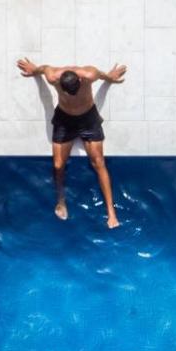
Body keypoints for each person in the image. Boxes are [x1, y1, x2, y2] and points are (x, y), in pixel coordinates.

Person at [16, 57, 127, 228]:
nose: (70, 95)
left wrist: (110, 77)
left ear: (81, 80)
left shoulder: (89, 74)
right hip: (64, 120)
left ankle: (111, 213)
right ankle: (61, 201)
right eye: (67, 92)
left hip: (88, 119)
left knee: (99, 163)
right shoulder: (53, 76)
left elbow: (101, 75)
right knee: (58, 165)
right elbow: (44, 68)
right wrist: (34, 70)